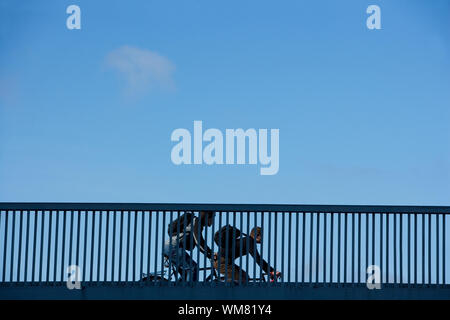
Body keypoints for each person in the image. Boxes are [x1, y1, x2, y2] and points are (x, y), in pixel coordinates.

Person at [213, 225, 281, 283]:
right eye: (261, 236)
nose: (262, 238)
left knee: (245, 277)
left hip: (225, 261)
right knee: (241, 279)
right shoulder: (249, 241)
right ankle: (219, 286)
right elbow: (258, 259)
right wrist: (271, 271)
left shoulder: (247, 240)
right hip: (221, 262)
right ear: (257, 235)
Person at [163, 210, 215, 282]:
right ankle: (190, 292)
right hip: (173, 247)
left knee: (186, 274)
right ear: (207, 217)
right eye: (213, 218)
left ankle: (180, 290)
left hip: (170, 246)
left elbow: (200, 243)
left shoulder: (197, 223)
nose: (213, 221)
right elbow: (199, 242)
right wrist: (210, 253)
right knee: (193, 268)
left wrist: (208, 253)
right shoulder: (196, 221)